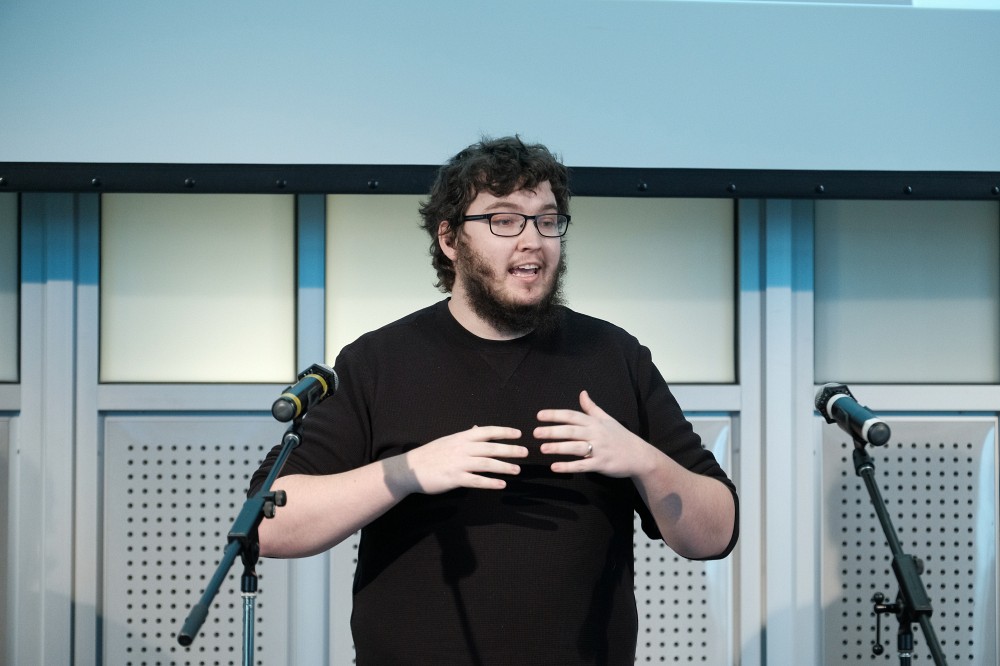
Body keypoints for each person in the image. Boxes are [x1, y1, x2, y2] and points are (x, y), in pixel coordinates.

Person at [249, 136, 738, 665]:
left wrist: (643, 460)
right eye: (505, 221)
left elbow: (716, 531)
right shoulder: (378, 361)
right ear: (450, 239)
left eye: (547, 220)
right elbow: (267, 525)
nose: (532, 240)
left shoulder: (614, 356)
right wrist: (407, 470)